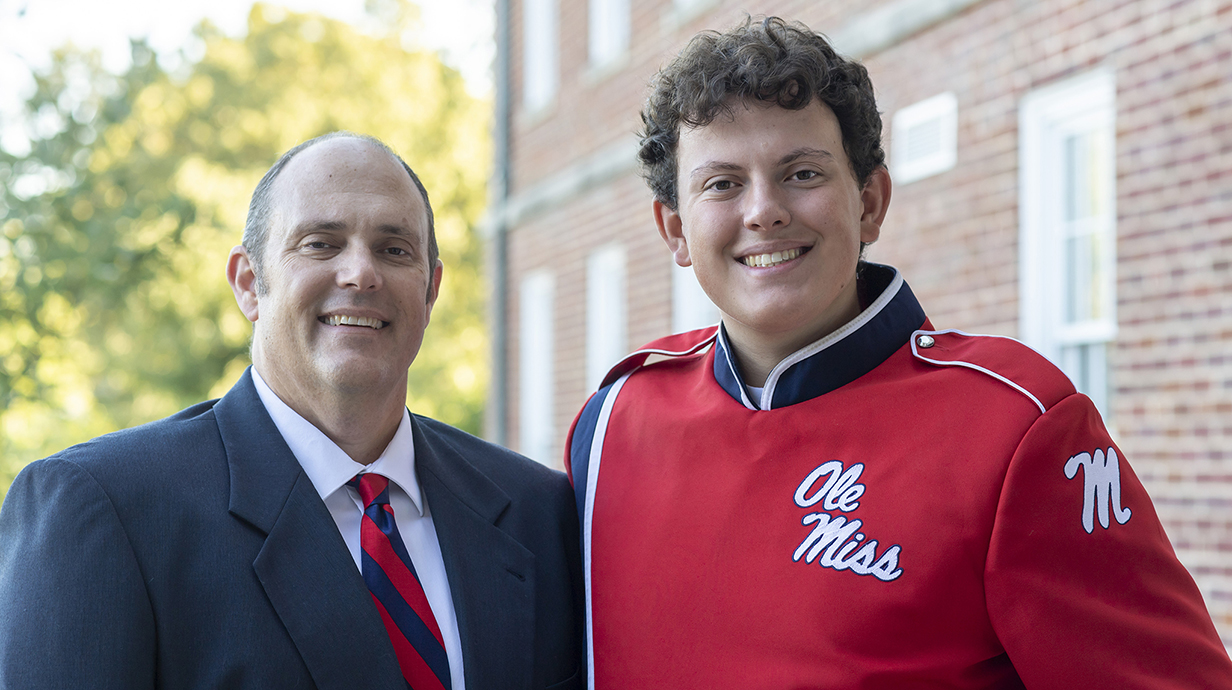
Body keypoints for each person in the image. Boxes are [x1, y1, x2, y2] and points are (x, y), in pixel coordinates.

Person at [566, 17, 1232, 689]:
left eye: (802, 173)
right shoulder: (613, 425)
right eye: (721, 184)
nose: (764, 211)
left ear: (870, 203)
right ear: (675, 229)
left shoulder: (1016, 428)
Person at [0, 132, 583, 690]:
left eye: (394, 249)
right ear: (249, 283)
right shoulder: (103, 508)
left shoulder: (539, 513)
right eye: (320, 243)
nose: (361, 273)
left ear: (430, 291)